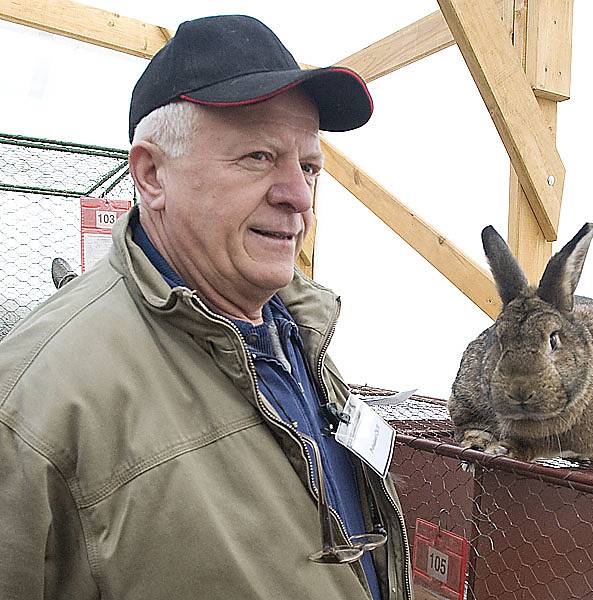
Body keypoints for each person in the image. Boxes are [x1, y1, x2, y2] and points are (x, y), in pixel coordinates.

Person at [0, 15, 411, 600]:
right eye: (258, 157)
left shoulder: (295, 332)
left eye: (309, 166)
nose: (298, 195)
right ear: (152, 175)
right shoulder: (33, 402)